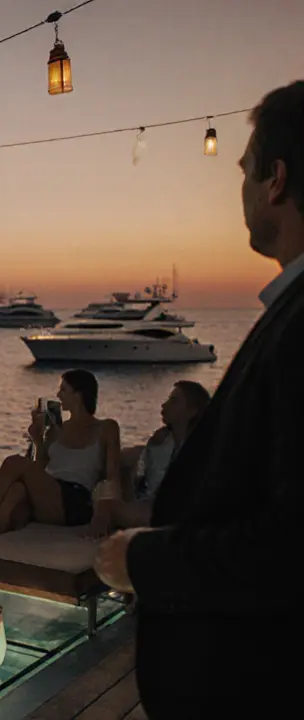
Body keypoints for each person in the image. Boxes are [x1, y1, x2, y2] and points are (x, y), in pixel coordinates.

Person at [95, 81, 304, 717]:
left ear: (275, 179)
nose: (238, 188)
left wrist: (142, 557)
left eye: (243, 171)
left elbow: (289, 545)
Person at [0, 370, 122, 539]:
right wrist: (38, 440)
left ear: (79, 394)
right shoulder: (57, 431)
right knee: (15, 492)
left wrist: (107, 511)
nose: (58, 395)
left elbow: (112, 476)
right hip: (49, 495)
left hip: (76, 499)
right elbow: (38, 469)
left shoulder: (106, 428)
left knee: (14, 462)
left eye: (63, 390)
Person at [97, 381, 209, 531]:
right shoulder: (162, 442)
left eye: (174, 401)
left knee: (105, 507)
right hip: (155, 504)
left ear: (192, 411)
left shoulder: (202, 446)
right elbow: (145, 481)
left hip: (175, 510)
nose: (164, 406)